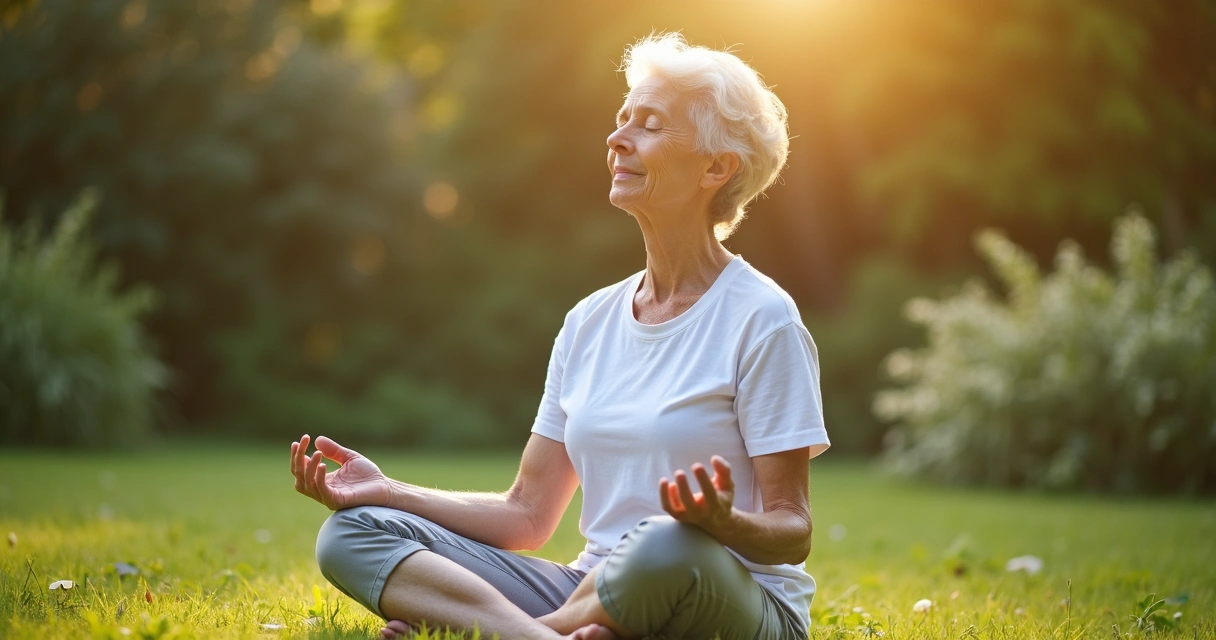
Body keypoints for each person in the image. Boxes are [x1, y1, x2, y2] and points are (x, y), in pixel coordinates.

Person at [289, 32, 830, 640]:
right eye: (622, 119)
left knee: (662, 544)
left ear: (717, 166)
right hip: (589, 591)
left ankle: (509, 632)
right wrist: (386, 490)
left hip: (730, 597)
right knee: (353, 532)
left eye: (649, 124)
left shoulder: (763, 318)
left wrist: (722, 521)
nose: (616, 138)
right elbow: (526, 513)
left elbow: (794, 529)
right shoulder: (589, 322)